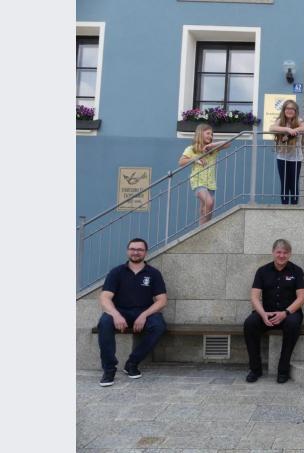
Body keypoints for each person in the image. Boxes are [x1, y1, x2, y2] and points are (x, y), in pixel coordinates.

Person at [96, 238, 168, 387]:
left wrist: (144, 315)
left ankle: (132, 363)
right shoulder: (116, 272)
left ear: (145, 253)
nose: (136, 252)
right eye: (133, 249)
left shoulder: (153, 274)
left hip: (144, 311)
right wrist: (115, 315)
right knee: (104, 323)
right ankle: (109, 370)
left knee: (159, 326)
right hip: (120, 311)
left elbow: (162, 300)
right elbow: (105, 297)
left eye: (140, 250)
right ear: (128, 251)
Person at [243, 239, 304, 383]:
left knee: (292, 324)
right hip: (267, 314)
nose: (281, 255)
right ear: (273, 252)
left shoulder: (297, 271)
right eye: (279, 252)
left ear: (289, 254)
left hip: (290, 314)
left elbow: (302, 297)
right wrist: (262, 314)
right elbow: (254, 297)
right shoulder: (262, 271)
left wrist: (285, 313)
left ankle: (283, 370)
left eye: (285, 252)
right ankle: (255, 369)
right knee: (250, 323)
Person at [178, 123, 230, 225]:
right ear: (200, 133)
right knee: (209, 202)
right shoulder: (192, 149)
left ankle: (202, 230)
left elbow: (228, 143)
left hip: (211, 183)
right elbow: (181, 162)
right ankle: (205, 228)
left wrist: (212, 145)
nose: (210, 136)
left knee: (206, 209)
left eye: (211, 134)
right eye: (208, 133)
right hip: (198, 182)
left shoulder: (212, 150)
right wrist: (195, 159)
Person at [269, 99, 304, 205]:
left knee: (293, 183)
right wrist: (287, 130)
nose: (289, 110)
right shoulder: (280, 121)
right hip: (282, 157)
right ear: (284, 110)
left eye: (292, 109)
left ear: (295, 111)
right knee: (284, 183)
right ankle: (285, 206)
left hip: (296, 158)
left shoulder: (299, 120)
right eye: (287, 108)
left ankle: (294, 206)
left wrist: (294, 130)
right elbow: (271, 128)